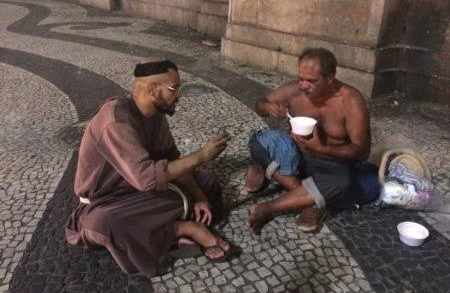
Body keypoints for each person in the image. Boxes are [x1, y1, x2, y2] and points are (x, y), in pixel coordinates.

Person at [66, 59, 235, 277]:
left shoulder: (155, 116)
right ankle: (183, 229)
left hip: (143, 196)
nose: (179, 95)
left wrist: (200, 197)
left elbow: (172, 160)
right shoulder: (115, 120)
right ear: (154, 90)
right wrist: (201, 155)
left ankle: (163, 232)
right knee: (105, 223)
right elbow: (147, 179)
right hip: (108, 201)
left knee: (206, 182)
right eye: (175, 88)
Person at [246, 48, 371, 235]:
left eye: (311, 81)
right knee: (257, 141)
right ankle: (306, 199)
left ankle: (269, 206)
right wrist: (267, 106)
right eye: (300, 78)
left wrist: (323, 149)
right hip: (295, 154)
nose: (303, 85)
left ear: (330, 78)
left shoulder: (350, 100)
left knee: (342, 182)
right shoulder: (294, 90)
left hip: (329, 163)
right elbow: (260, 103)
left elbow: (362, 151)